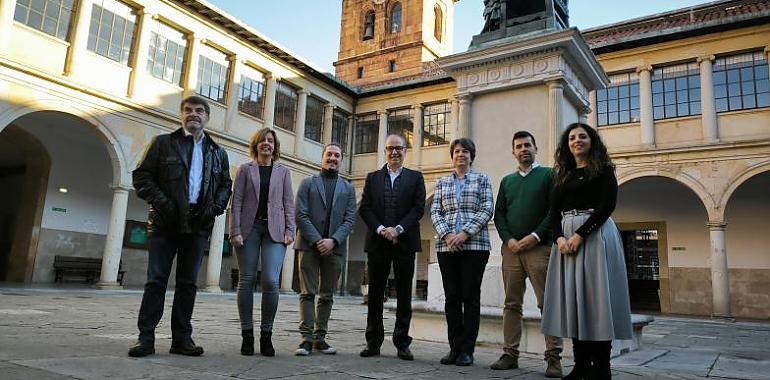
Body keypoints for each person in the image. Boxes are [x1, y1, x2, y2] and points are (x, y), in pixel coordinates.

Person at [129, 95, 232, 358]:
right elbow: (141, 177)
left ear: (207, 117)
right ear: (181, 115)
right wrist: (165, 204)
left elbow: (224, 185)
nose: (193, 114)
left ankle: (181, 339)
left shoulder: (217, 153)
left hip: (198, 225)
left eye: (199, 111)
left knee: (187, 284)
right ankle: (146, 338)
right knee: (156, 281)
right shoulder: (163, 143)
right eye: (188, 110)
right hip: (165, 224)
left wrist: (215, 208)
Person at [542, 123, 633, 379]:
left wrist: (580, 235)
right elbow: (553, 211)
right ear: (566, 144)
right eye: (572, 137)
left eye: (582, 136)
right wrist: (559, 238)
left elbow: (607, 206)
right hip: (565, 242)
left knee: (597, 300)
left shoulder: (603, 170)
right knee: (573, 301)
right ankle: (581, 364)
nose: (577, 140)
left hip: (595, 236)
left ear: (591, 141)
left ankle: (602, 367)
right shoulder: (562, 174)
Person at [490, 131, 563, 377]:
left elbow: (555, 210)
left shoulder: (548, 175)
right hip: (511, 251)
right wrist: (509, 239)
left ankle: (553, 358)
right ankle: (510, 354)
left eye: (527, 145)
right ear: (513, 151)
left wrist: (534, 236)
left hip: (540, 249)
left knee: (547, 303)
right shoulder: (507, 181)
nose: (523, 149)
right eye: (519, 146)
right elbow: (499, 213)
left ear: (535, 148)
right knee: (512, 304)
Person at [358, 134, 426, 360]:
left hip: (404, 243)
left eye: (399, 148)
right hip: (378, 243)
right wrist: (381, 230)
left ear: (405, 151)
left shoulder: (416, 177)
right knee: (375, 294)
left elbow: (418, 209)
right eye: (390, 148)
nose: (395, 152)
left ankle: (402, 343)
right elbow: (365, 208)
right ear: (385, 151)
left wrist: (397, 229)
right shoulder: (372, 177)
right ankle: (373, 343)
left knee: (405, 294)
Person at [229, 128, 295, 356]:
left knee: (270, 280)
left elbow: (289, 203)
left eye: (271, 141)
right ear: (256, 145)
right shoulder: (245, 170)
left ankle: (266, 334)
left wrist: (290, 229)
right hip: (248, 229)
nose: (267, 144)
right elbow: (236, 201)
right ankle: (247, 334)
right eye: (263, 141)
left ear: (275, 147)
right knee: (246, 279)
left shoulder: (283, 172)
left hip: (275, 231)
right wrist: (234, 230)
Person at [429, 138, 493, 367]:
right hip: (447, 247)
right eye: (457, 151)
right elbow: (435, 211)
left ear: (471, 155)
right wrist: (447, 235)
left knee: (470, 296)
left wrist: (464, 233)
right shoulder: (442, 182)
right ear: (452, 156)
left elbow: (487, 208)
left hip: (475, 246)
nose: (461, 155)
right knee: (452, 298)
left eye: (465, 151)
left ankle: (467, 350)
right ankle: (454, 348)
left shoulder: (482, 179)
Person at [293, 143, 357, 356]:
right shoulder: (307, 183)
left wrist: (333, 241)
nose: (332, 158)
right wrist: (318, 240)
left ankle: (320, 338)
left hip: (335, 249)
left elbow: (349, 220)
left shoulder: (348, 188)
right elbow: (300, 215)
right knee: (307, 293)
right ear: (322, 158)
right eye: (329, 154)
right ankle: (306, 339)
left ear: (341, 160)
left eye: (337, 155)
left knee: (327, 295)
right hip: (309, 246)